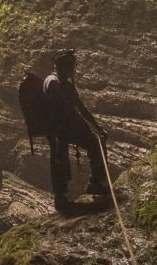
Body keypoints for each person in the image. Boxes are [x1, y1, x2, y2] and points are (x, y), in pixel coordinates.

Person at [43, 48, 109, 213]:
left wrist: (97, 127)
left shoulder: (66, 83)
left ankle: (95, 183)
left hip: (67, 127)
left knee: (95, 143)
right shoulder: (53, 82)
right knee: (59, 161)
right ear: (62, 66)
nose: (73, 69)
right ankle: (60, 199)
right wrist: (84, 125)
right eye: (70, 66)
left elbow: (80, 106)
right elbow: (66, 108)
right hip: (57, 130)